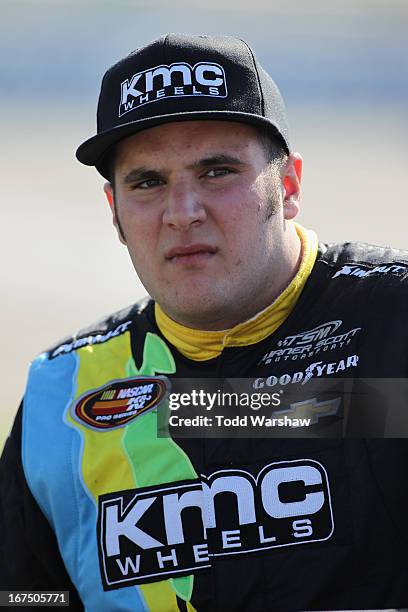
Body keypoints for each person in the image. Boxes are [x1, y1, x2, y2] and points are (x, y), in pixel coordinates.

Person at [1, 33, 408, 612]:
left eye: (216, 171)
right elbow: (25, 595)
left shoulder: (394, 322)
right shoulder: (60, 397)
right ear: (114, 212)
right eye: (147, 182)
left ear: (288, 186)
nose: (182, 213)